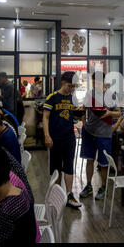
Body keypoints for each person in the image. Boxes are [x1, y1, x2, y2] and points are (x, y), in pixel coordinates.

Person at [43, 71, 82, 209]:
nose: (71, 89)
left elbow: (76, 116)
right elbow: (45, 117)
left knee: (69, 166)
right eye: (70, 86)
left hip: (69, 137)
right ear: (63, 83)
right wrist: (47, 135)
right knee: (56, 167)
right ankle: (58, 194)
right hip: (55, 138)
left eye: (73, 87)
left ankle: (69, 194)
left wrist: (80, 115)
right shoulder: (52, 97)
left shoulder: (73, 98)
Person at [79, 72, 121, 201]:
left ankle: (103, 187)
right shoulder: (89, 94)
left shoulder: (110, 95)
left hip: (104, 134)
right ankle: (88, 185)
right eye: (93, 82)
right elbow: (83, 109)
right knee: (89, 160)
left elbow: (118, 113)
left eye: (97, 82)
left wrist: (109, 112)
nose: (95, 85)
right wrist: (84, 124)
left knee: (103, 163)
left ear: (103, 82)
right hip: (89, 132)